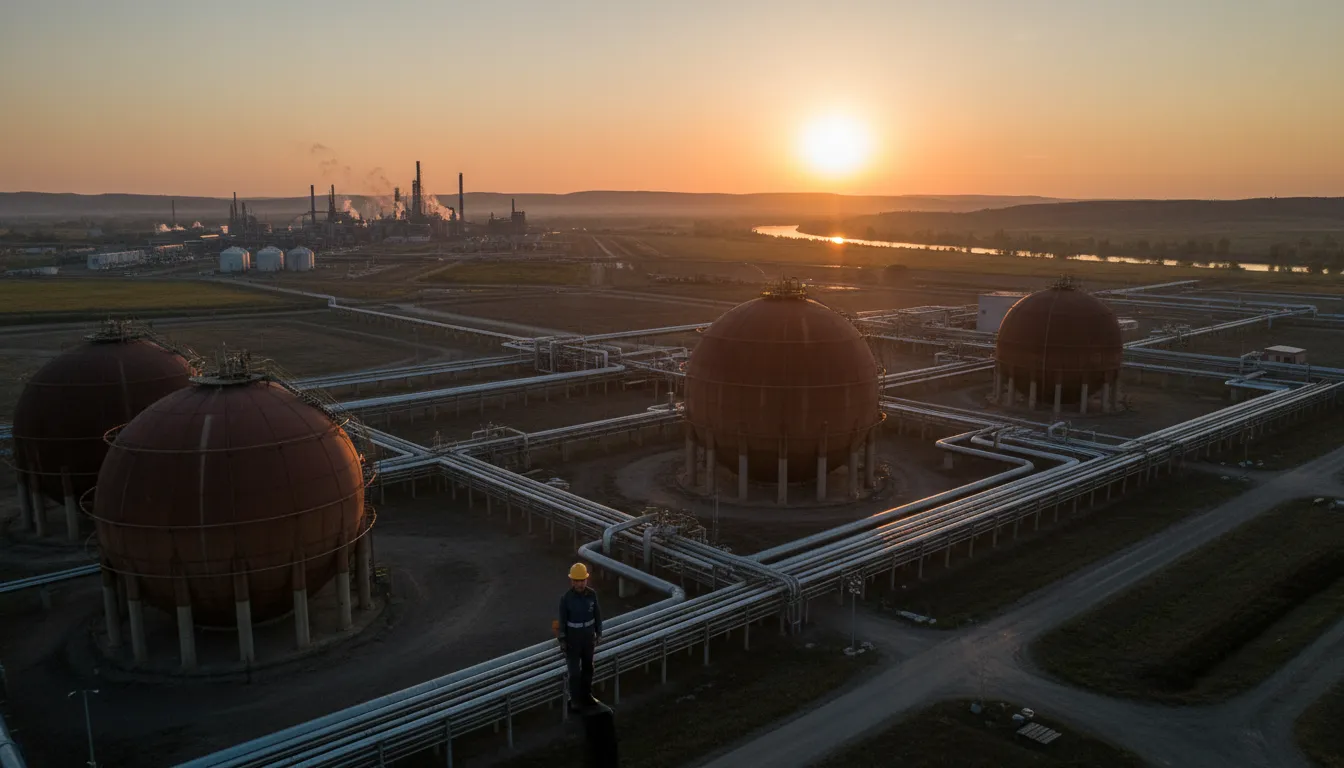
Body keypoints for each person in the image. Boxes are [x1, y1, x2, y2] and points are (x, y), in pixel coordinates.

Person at [558, 562, 602, 710]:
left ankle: (587, 695)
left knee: (589, 668)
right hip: (573, 641)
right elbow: (562, 621)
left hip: (588, 639)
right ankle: (575, 700)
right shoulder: (566, 599)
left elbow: (597, 615)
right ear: (572, 581)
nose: (580, 583)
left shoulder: (592, 595)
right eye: (577, 581)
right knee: (574, 672)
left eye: (582, 580)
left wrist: (599, 632)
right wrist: (563, 639)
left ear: (586, 580)